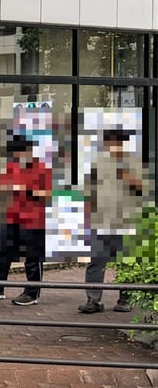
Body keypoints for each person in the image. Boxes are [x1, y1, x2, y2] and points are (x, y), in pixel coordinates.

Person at [0, 135, 51, 306]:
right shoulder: (12, 167)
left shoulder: (41, 168)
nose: (17, 156)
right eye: (14, 154)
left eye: (19, 153)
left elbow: (48, 194)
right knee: (2, 252)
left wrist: (27, 190)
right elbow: (4, 186)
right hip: (12, 217)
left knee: (33, 257)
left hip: (34, 219)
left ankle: (32, 293)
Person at [79, 127, 146, 314]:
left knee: (126, 262)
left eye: (115, 142)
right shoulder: (98, 163)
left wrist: (126, 175)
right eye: (108, 142)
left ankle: (125, 299)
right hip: (101, 220)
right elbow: (88, 190)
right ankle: (93, 300)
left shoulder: (134, 162)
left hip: (126, 221)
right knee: (96, 262)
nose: (112, 146)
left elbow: (142, 189)